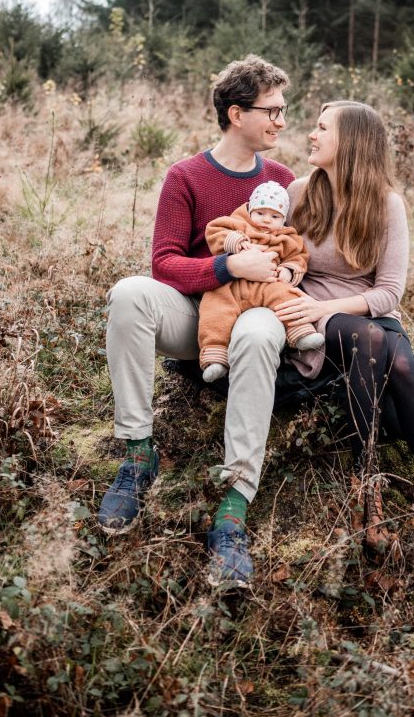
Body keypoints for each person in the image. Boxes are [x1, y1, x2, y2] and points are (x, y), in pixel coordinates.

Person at [99, 54, 294, 587]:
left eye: (283, 110)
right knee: (129, 294)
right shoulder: (185, 176)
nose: (281, 121)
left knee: (258, 331)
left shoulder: (284, 181)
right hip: (197, 315)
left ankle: (233, 508)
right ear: (237, 113)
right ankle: (138, 455)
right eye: (272, 110)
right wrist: (226, 266)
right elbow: (163, 264)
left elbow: (300, 252)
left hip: (259, 314)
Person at [276, 100, 414, 553]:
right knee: (373, 342)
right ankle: (366, 482)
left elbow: (389, 293)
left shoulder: (386, 204)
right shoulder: (299, 193)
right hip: (313, 314)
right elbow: (277, 254)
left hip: (364, 311)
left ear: (352, 142)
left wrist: (326, 307)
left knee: (399, 363)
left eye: (323, 128)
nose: (312, 134)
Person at [199, 180, 324, 382]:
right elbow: (214, 231)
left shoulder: (287, 237)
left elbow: (299, 257)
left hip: (267, 285)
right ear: (250, 210)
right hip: (230, 286)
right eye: (260, 213)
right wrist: (236, 242)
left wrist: (288, 270)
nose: (266, 220)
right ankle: (215, 354)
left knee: (287, 296)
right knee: (214, 309)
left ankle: (300, 332)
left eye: (274, 216)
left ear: (283, 219)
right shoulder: (237, 224)